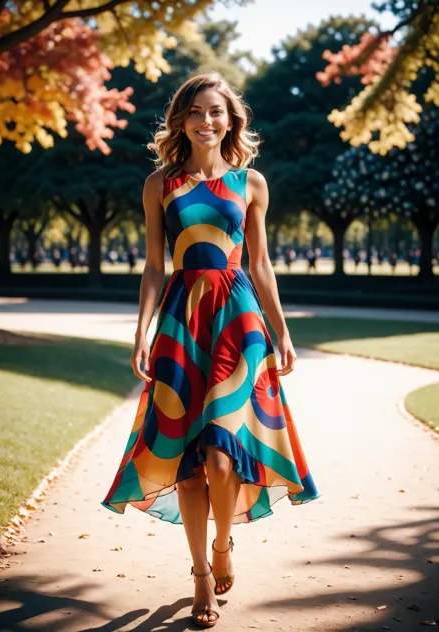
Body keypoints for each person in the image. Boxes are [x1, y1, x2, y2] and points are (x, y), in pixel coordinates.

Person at [102, 72, 319, 629]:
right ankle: (200, 574)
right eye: (196, 112)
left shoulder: (252, 183)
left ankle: (224, 542)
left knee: (223, 453)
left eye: (216, 112)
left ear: (231, 120)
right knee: (190, 464)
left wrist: (283, 330)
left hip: (237, 322)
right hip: (181, 319)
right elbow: (155, 264)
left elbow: (261, 263)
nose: (206, 121)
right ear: (181, 120)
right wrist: (141, 329)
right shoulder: (160, 185)